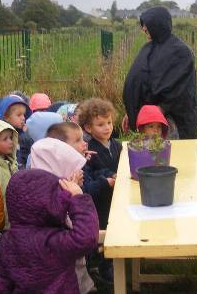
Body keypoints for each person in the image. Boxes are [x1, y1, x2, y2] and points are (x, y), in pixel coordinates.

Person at [0, 169, 99, 294]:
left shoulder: (8, 241)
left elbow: (1, 281)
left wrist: (66, 196)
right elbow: (87, 237)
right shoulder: (52, 241)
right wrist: (78, 198)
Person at [29, 137, 98, 293]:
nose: (81, 173)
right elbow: (84, 236)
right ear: (60, 171)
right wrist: (76, 198)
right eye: (74, 168)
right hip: (67, 277)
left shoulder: (36, 188)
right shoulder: (54, 200)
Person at [122, 6, 197, 139]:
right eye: (143, 24)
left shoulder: (180, 51)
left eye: (147, 24)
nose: (143, 28)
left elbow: (177, 90)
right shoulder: (148, 48)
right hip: (148, 118)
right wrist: (132, 110)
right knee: (147, 158)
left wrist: (152, 114)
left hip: (171, 122)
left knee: (170, 158)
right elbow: (141, 82)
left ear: (159, 24)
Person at [77, 98, 122, 283]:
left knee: (116, 226)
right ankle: (102, 267)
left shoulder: (117, 145)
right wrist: (108, 179)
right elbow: (94, 174)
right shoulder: (91, 151)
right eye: (101, 124)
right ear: (88, 128)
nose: (107, 128)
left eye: (109, 122)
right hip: (100, 200)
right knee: (103, 232)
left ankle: (113, 260)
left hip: (116, 195)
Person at [0, 95, 32, 170]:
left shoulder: (23, 135)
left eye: (24, 115)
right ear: (6, 117)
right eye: (19, 115)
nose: (23, 118)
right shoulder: (0, 136)